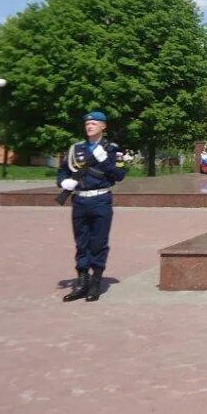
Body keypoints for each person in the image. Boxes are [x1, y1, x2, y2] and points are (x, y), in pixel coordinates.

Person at [57, 111, 128, 302]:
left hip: (101, 200)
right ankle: (81, 281)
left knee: (98, 243)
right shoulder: (76, 149)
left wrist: (105, 161)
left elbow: (119, 175)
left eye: (94, 123)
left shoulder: (113, 149)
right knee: (81, 243)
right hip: (80, 200)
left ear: (104, 126)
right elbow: (63, 171)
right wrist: (64, 183)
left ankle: (95, 282)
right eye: (87, 124)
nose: (90, 126)